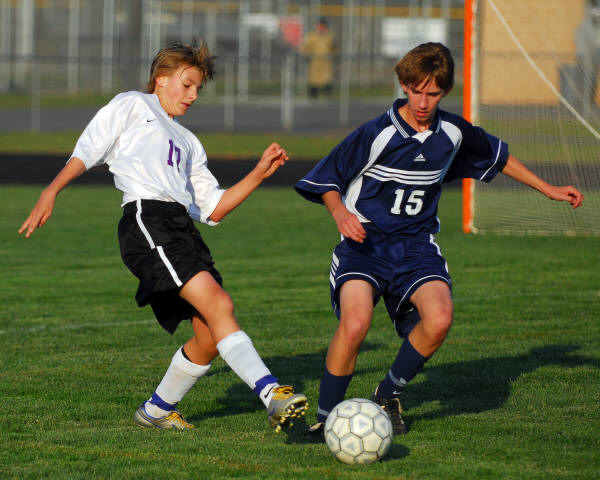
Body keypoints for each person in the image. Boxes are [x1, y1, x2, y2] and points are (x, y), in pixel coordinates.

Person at [295, 42, 584, 439]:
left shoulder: (452, 132)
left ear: (445, 91)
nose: (422, 102)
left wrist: (548, 189)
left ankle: (387, 394)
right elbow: (328, 178)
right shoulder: (377, 133)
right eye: (416, 91)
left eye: (432, 93)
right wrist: (340, 213)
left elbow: (498, 157)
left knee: (440, 318)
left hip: (417, 247)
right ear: (404, 85)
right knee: (356, 322)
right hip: (365, 246)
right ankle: (325, 418)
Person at [19, 41, 308, 432]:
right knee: (220, 304)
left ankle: (156, 410)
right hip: (147, 220)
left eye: (198, 89)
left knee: (209, 335)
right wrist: (51, 190)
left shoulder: (190, 143)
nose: (193, 95)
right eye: (187, 85)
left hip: (181, 228)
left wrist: (259, 173)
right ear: (161, 79)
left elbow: (213, 209)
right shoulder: (134, 105)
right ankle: (273, 394)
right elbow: (88, 148)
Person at [302, 18, 335, 98]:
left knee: (327, 80)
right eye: (320, 26)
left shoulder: (329, 36)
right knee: (313, 81)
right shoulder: (312, 36)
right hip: (315, 63)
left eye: (323, 26)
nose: (321, 28)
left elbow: (333, 48)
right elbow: (306, 47)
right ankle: (312, 97)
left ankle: (328, 97)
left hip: (326, 63)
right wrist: (307, 55)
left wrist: (332, 54)